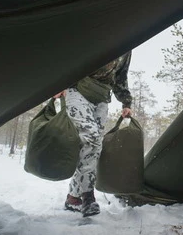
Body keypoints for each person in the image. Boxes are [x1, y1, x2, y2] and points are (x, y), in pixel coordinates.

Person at [54, 52, 133, 217]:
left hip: (102, 97)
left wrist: (126, 102)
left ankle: (73, 197)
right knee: (92, 138)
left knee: (93, 148)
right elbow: (70, 57)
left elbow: (120, 75)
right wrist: (57, 84)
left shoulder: (127, 46)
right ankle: (88, 197)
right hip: (78, 90)